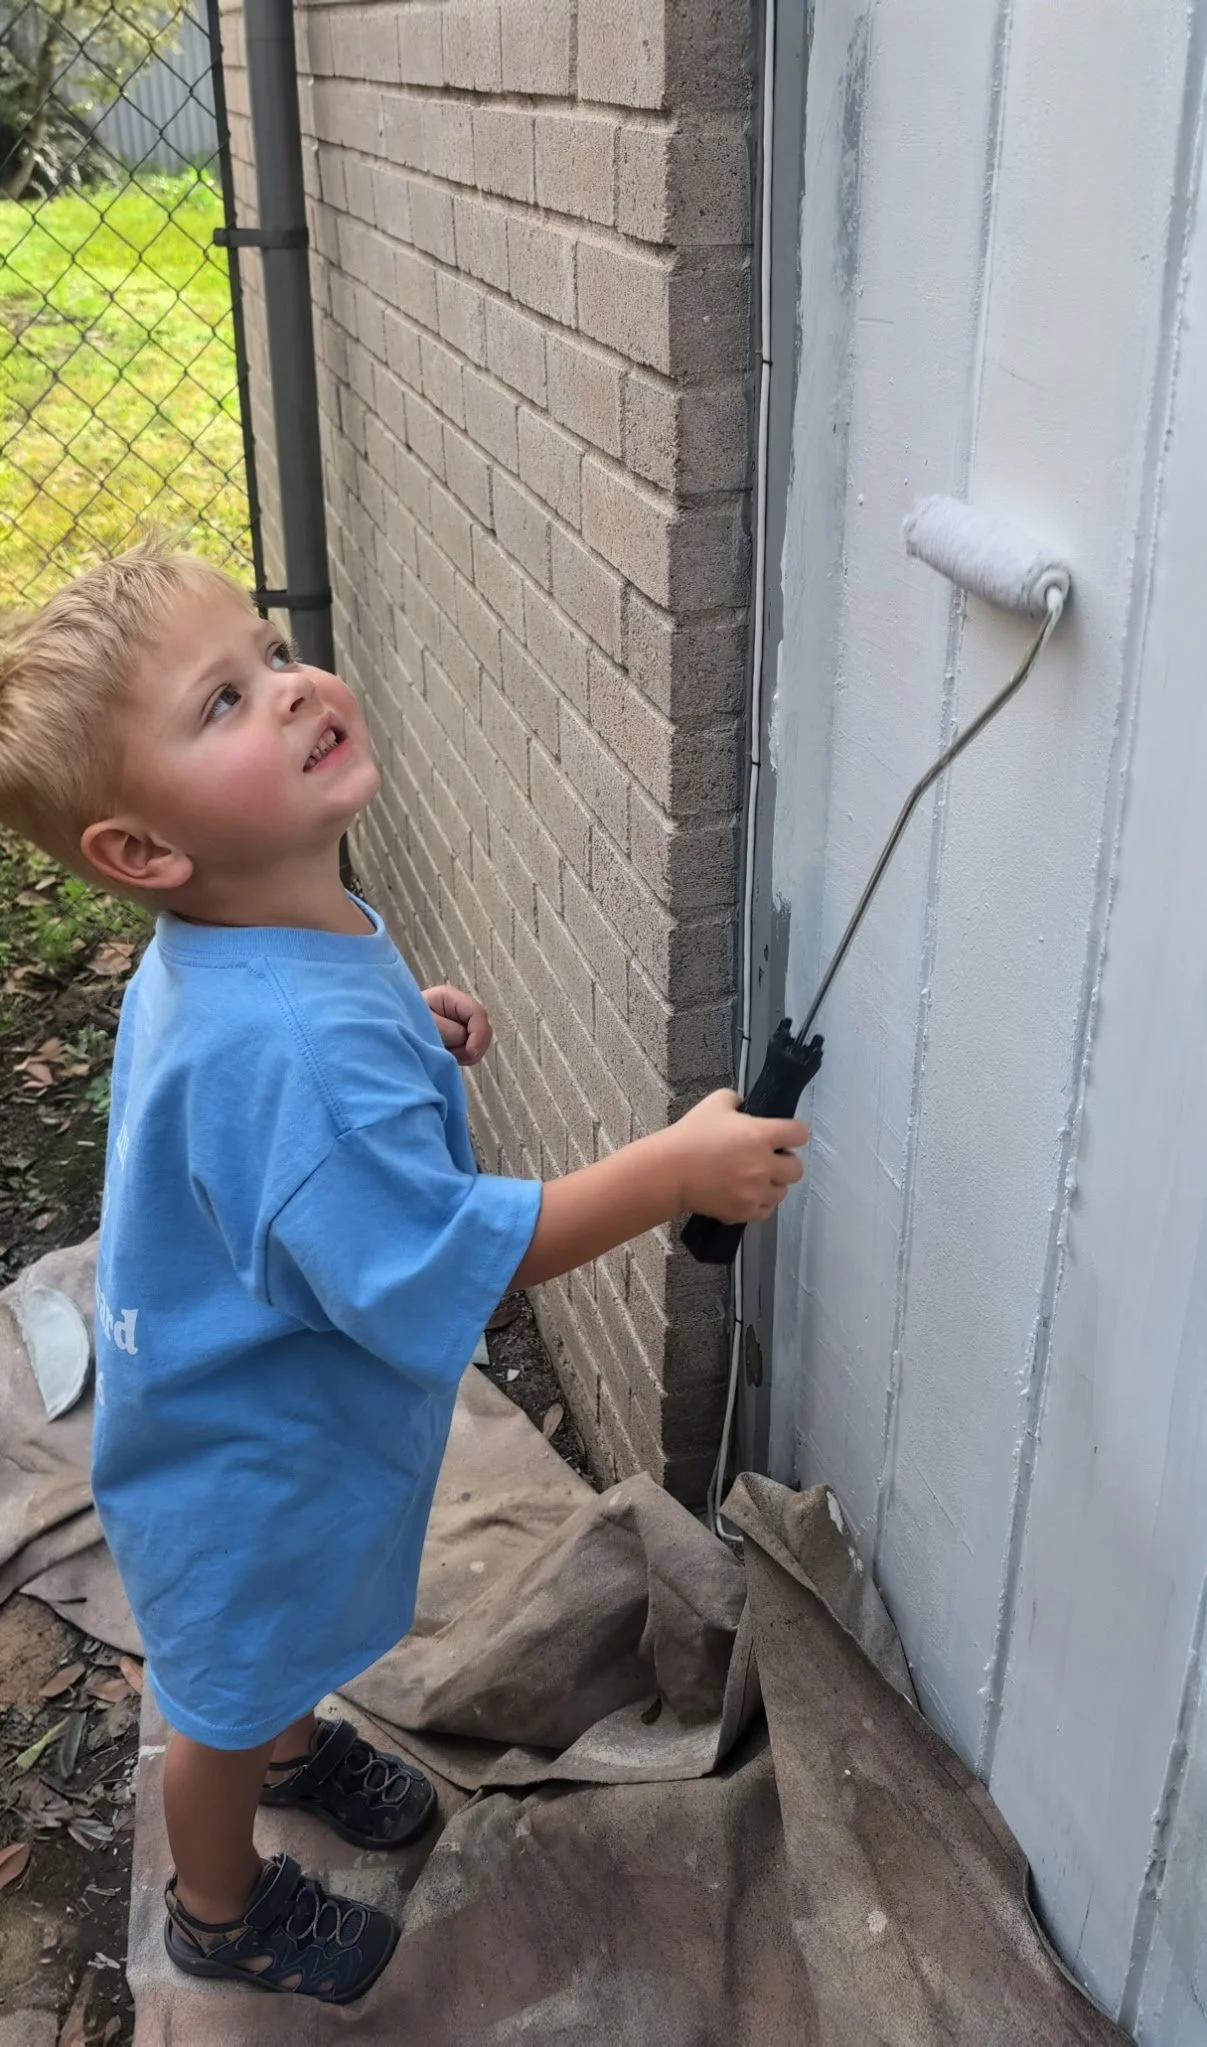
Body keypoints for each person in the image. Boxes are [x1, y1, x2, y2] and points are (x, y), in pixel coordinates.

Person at [0, 543, 809, 2006]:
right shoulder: (295, 1050)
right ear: (142, 852)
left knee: (277, 1664)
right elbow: (431, 1260)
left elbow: (273, 1091)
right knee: (220, 1706)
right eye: (227, 699)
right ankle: (219, 1904)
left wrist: (403, 1022)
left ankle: (296, 1743)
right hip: (241, 1474)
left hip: (231, 1412)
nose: (297, 687)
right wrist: (666, 1172)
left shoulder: (249, 937)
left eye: (273, 649)